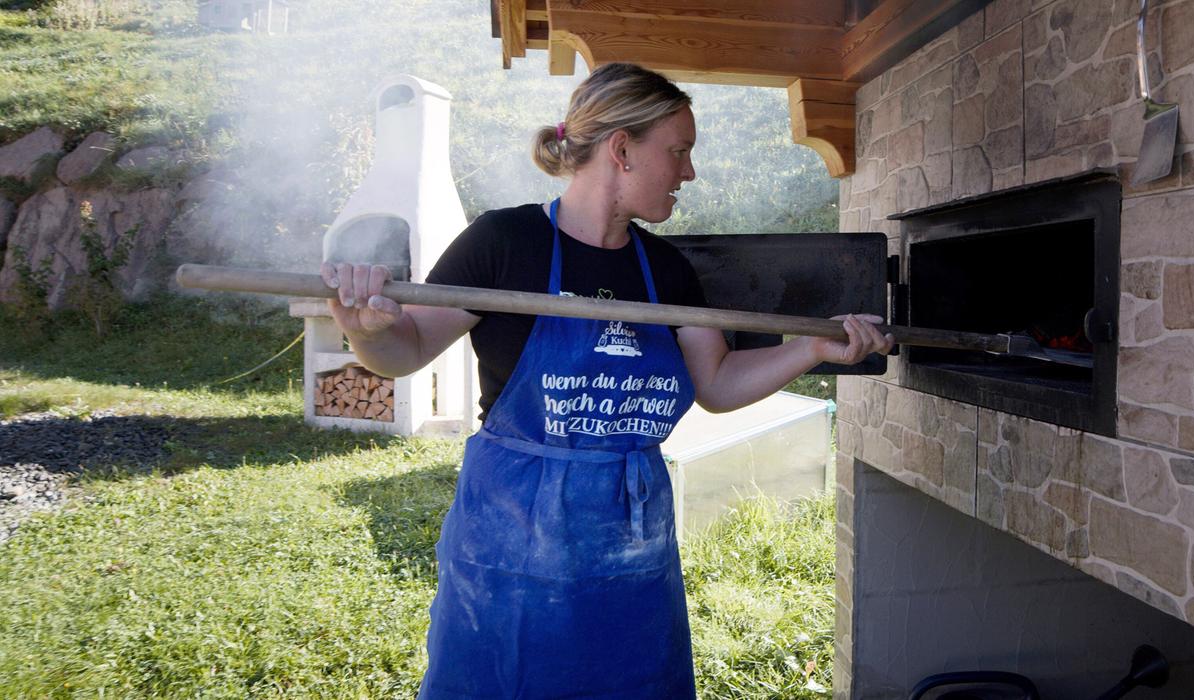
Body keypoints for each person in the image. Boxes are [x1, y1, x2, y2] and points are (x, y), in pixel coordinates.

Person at [321, 62, 893, 700]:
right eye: (678, 152)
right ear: (622, 150)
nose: (689, 172)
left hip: (630, 535)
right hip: (514, 534)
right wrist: (368, 329)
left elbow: (720, 383)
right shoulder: (506, 242)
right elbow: (408, 348)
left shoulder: (666, 270)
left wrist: (811, 347)